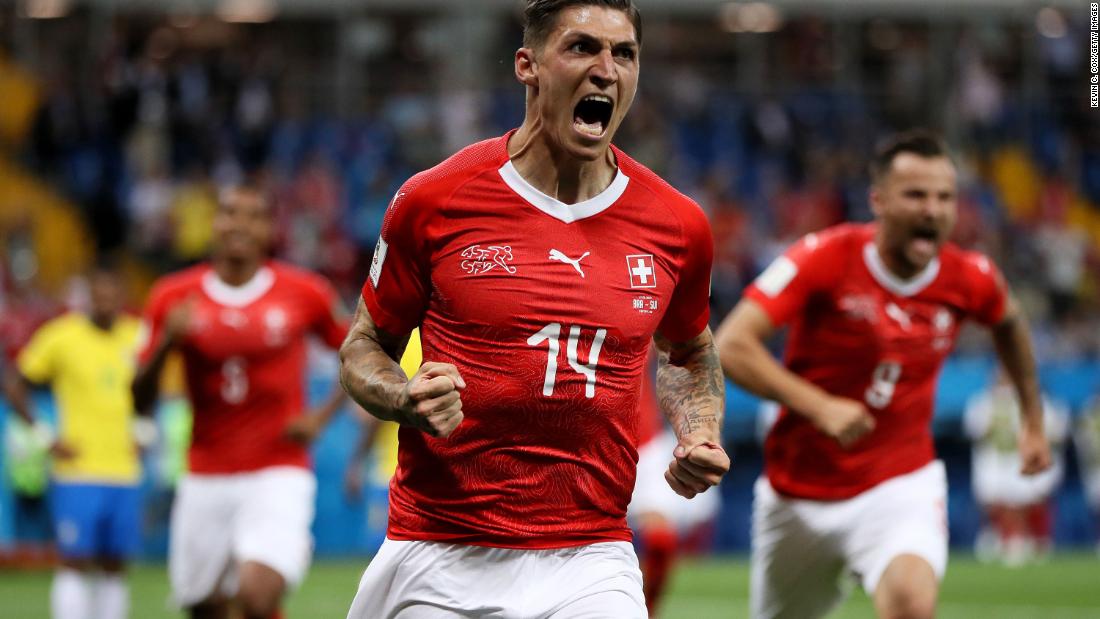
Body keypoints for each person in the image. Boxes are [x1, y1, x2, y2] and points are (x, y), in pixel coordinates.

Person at [338, 1, 730, 617]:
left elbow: (689, 350)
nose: (606, 69)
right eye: (581, 48)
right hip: (439, 549)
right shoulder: (434, 199)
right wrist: (402, 399)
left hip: (590, 554)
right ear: (528, 65)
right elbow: (365, 345)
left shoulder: (678, 225)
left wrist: (698, 432)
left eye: (623, 53)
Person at [716, 130, 1052, 619]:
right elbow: (732, 345)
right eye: (916, 194)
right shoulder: (824, 256)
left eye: (944, 197)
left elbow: (1010, 324)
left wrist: (1033, 422)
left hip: (899, 484)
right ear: (878, 200)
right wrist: (819, 405)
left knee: (911, 604)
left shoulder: (971, 277)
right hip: (798, 495)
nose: (932, 209)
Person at [131, 184, 351, 619]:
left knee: (256, 595)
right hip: (206, 472)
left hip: (278, 469)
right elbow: (138, 398)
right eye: (229, 213)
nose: (239, 224)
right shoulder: (172, 296)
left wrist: (322, 417)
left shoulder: (304, 291)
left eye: (253, 215)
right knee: (203, 605)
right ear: (214, 224)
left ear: (269, 228)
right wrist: (166, 346)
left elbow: (358, 354)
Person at [3, 263, 143, 619]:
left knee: (115, 564)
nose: (105, 301)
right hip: (77, 468)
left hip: (125, 467)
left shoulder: (138, 335)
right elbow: (15, 382)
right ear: (88, 299)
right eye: (99, 295)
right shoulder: (61, 337)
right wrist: (44, 436)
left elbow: (155, 390)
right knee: (74, 561)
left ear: (121, 298)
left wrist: (146, 429)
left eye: (112, 294)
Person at [964, 372, 1069, 565]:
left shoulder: (1040, 403)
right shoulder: (983, 402)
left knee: (1029, 499)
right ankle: (1003, 537)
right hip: (995, 459)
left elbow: (1057, 433)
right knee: (997, 501)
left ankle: (1034, 539)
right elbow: (975, 431)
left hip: (1025, 457)